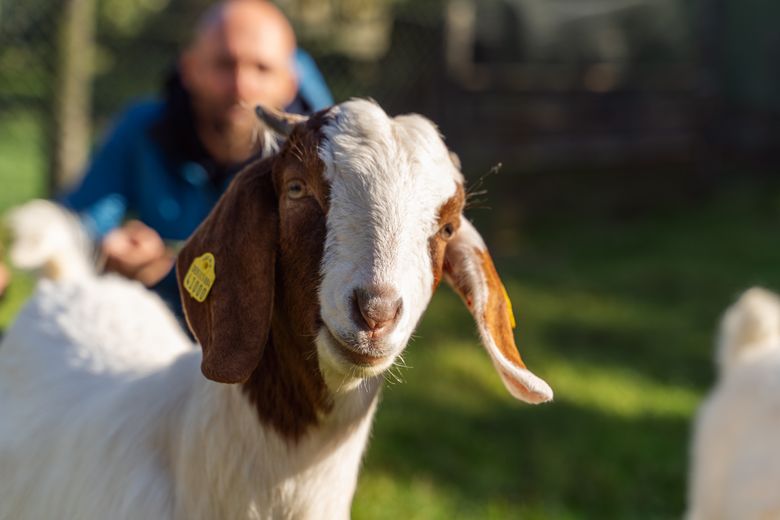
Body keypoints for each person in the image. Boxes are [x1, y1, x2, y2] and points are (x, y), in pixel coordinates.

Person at [0, 0, 332, 308]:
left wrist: (173, 271)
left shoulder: (324, 160)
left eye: (261, 68)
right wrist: (107, 247)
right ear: (189, 68)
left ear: (291, 82)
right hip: (158, 328)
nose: (241, 87)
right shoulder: (143, 129)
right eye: (224, 64)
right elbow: (81, 220)